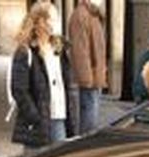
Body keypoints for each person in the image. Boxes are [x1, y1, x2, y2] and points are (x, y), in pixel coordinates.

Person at [11, 1, 78, 147]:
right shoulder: (26, 51)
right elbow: (19, 89)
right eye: (52, 19)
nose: (56, 23)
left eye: (56, 18)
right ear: (40, 21)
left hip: (59, 117)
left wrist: (72, 115)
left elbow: (66, 83)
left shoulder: (59, 48)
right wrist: (35, 117)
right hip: (38, 122)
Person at [68, 0, 108, 135]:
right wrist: (87, 81)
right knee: (89, 121)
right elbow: (80, 51)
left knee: (93, 118)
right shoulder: (80, 15)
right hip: (89, 80)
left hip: (96, 77)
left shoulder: (94, 14)